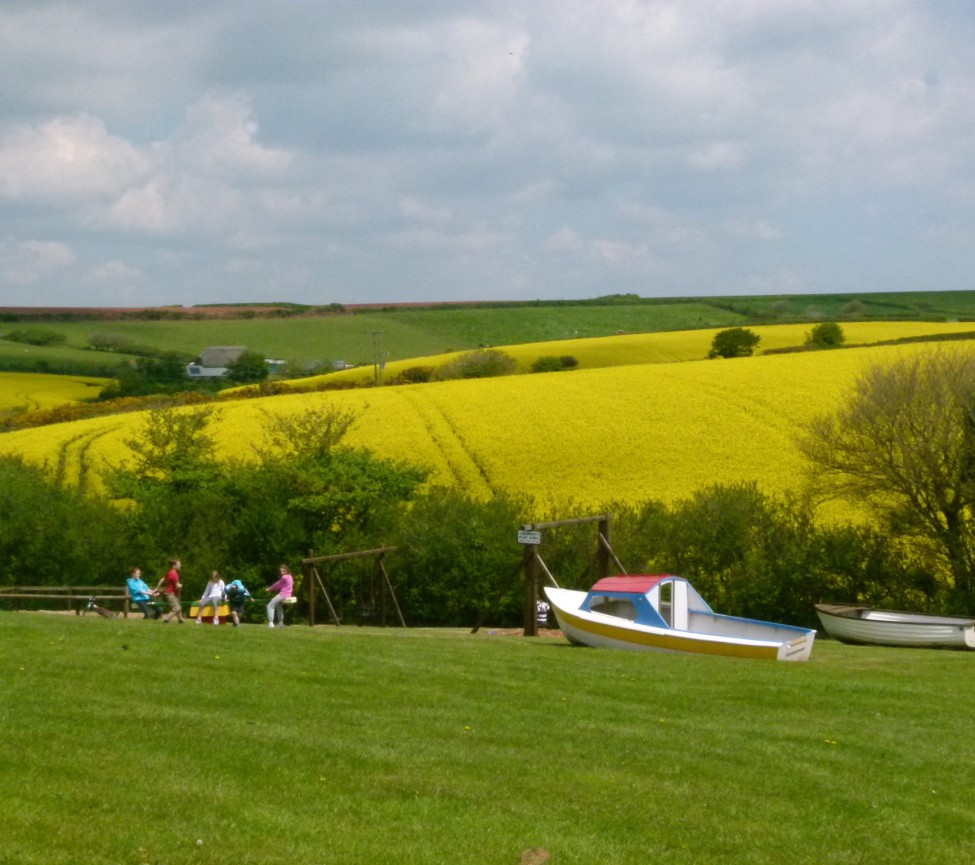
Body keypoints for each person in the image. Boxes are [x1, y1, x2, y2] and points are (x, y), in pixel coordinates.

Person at [155, 558, 184, 624]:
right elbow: (177, 586)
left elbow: (162, 579)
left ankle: (181, 620)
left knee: (178, 607)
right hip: (171, 593)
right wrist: (180, 585)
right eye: (179, 564)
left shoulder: (170, 572)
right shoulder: (174, 574)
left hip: (170, 593)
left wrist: (157, 588)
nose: (180, 565)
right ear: (174, 566)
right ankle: (166, 620)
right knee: (176, 608)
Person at [266, 564, 294, 629]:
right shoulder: (290, 576)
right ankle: (281, 623)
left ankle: (270, 623)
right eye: (281, 571)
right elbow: (281, 585)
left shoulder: (284, 577)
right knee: (279, 606)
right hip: (288, 595)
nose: (282, 573)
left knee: (270, 605)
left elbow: (277, 584)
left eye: (283, 571)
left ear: (286, 570)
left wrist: (269, 589)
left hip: (283, 594)